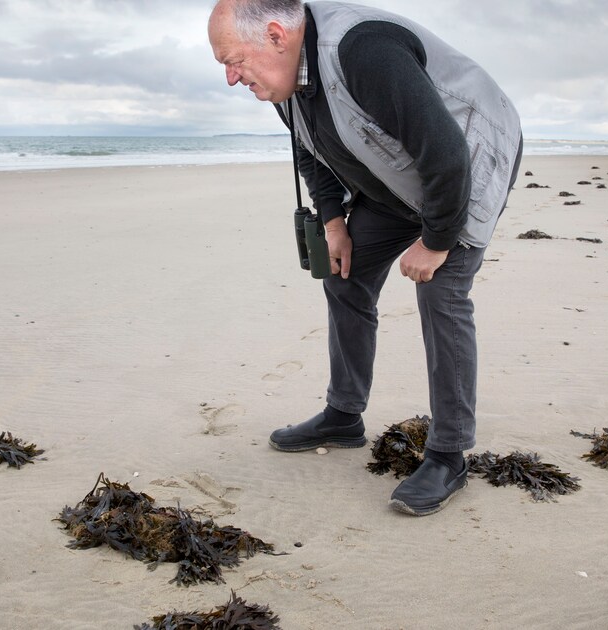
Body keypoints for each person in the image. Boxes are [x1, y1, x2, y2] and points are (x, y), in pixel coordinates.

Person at [208, 0, 522, 516]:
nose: (230, 77)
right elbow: (310, 152)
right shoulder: (280, 80)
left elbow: (445, 152)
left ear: (274, 35)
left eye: (233, 60)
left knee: (440, 294)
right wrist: (334, 223)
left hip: (467, 159)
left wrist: (438, 240)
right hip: (392, 181)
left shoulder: (363, 50)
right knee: (344, 277)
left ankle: (449, 454)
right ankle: (343, 415)